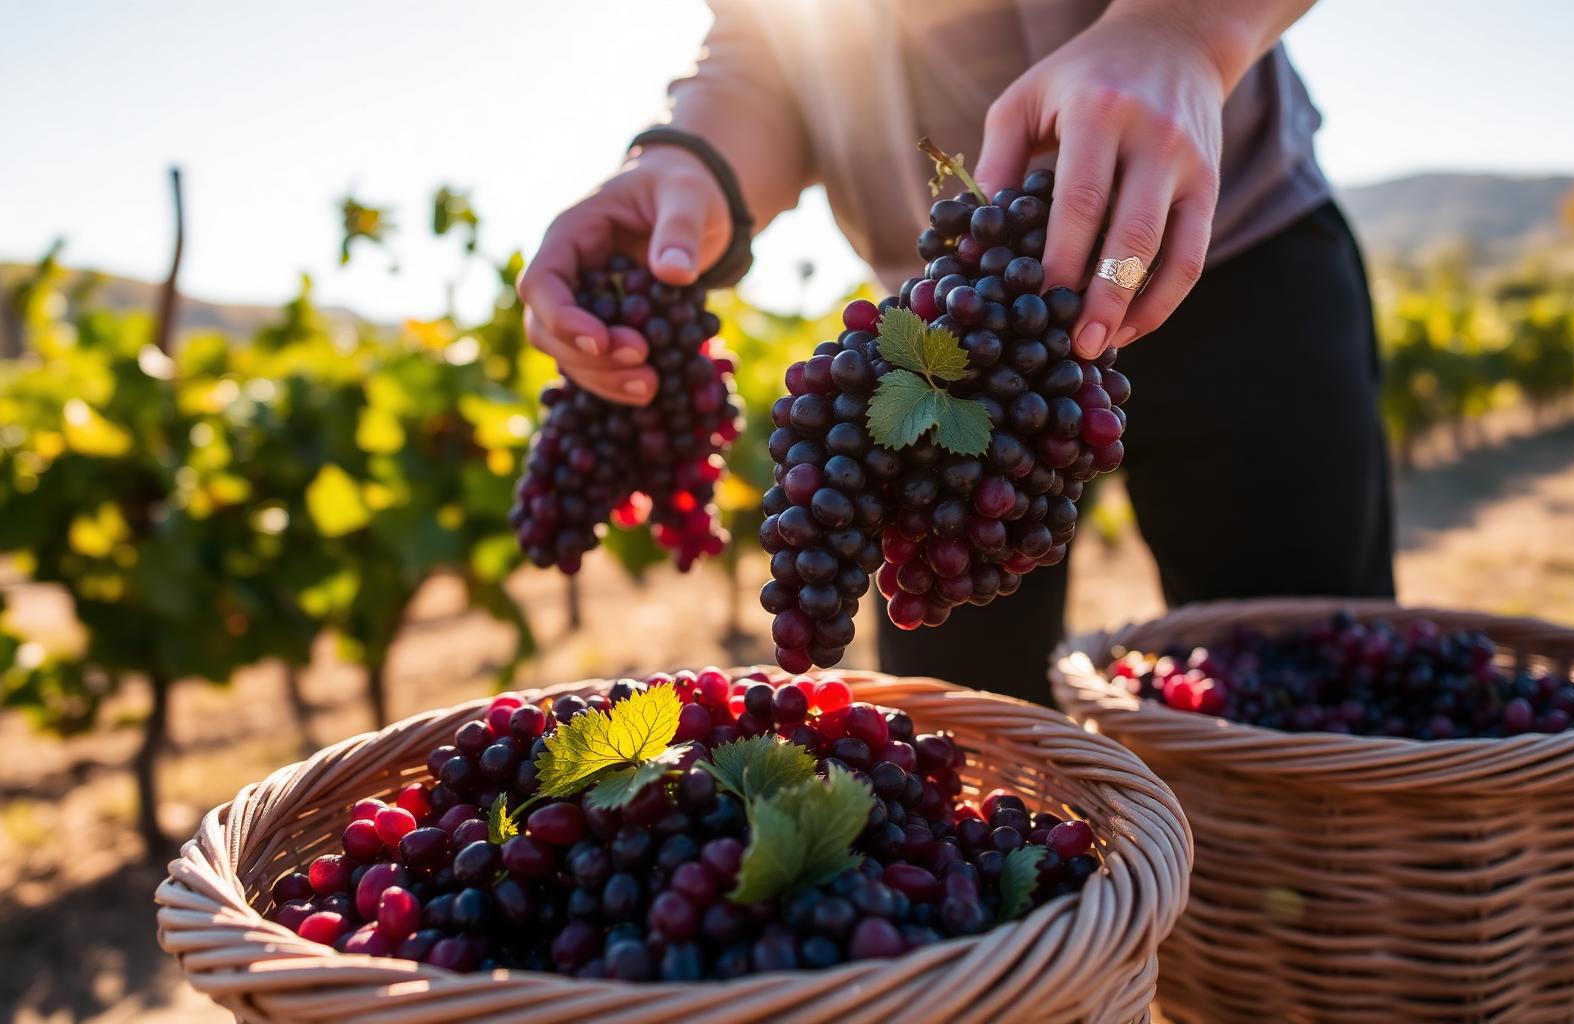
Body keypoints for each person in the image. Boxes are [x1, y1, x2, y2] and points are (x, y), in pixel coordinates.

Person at [518, 0, 1395, 706]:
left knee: (1309, 693)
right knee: (964, 736)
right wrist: (696, 162)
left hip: (1232, 261)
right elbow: (770, 39)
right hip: (950, 339)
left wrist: (1185, 29)